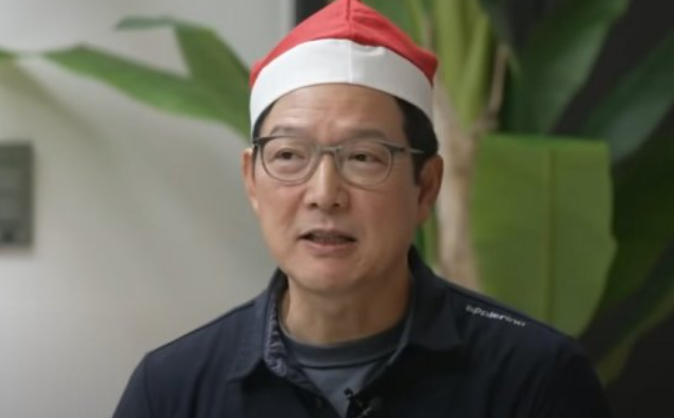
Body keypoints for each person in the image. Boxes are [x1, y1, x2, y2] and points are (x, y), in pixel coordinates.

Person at [112, 0, 614, 417]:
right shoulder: (172, 389)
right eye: (289, 155)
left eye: (363, 157)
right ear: (252, 180)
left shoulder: (535, 379)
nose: (324, 193)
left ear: (426, 186)